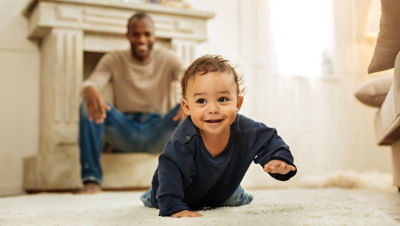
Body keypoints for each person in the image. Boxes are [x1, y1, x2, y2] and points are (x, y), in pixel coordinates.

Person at [140, 55, 297, 217]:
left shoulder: (247, 130)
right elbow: (169, 167)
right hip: (179, 189)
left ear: (237, 104)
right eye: (201, 101)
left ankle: (237, 194)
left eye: (222, 99)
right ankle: (150, 194)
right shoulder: (183, 140)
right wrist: (173, 205)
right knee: (159, 195)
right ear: (187, 107)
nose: (213, 109)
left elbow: (270, 139)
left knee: (232, 197)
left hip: (221, 190)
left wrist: (279, 159)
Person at [78, 12, 185, 194]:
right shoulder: (113, 58)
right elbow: (93, 82)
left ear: (154, 36)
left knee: (195, 107)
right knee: (87, 106)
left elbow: (189, 79)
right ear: (128, 36)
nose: (142, 39)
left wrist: (188, 100)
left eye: (147, 34)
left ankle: (194, 179)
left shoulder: (168, 58)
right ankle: (91, 179)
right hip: (125, 130)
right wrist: (89, 89)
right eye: (136, 34)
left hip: (159, 131)